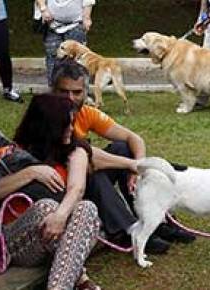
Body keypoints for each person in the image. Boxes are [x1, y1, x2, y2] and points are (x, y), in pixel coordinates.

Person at [49, 59, 195, 253]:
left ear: (86, 91)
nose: (70, 98)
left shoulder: (86, 112)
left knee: (122, 147)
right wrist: (135, 165)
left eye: (77, 92)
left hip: (79, 180)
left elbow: (132, 137)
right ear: (53, 90)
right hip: (58, 190)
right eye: (63, 91)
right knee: (93, 172)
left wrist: (137, 167)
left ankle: (152, 222)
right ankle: (127, 231)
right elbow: (87, 156)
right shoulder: (46, 114)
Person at [0, 93, 109, 289]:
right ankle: (79, 277)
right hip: (19, 241)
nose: (71, 129)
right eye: (65, 124)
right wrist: (31, 173)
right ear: (46, 126)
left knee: (86, 208)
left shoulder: (76, 150)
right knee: (45, 207)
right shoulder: (14, 152)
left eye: (72, 123)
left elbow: (77, 189)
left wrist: (60, 217)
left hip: (58, 236)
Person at [35, 0, 94, 86]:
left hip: (76, 24)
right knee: (52, 58)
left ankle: (78, 91)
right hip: (51, 25)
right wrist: (43, 9)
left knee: (78, 61)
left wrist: (87, 17)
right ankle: (53, 91)